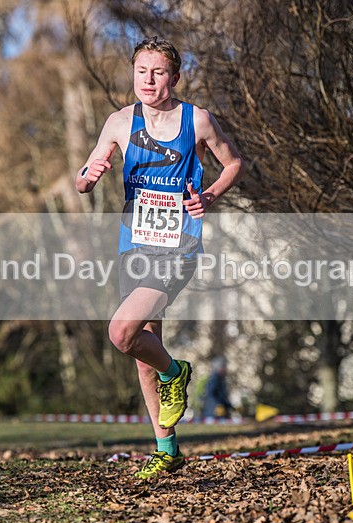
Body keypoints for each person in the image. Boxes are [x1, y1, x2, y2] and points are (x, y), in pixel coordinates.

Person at [76, 37, 244, 479]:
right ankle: (166, 448)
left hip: (178, 247)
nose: (148, 81)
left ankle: (177, 372)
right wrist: (88, 175)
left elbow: (233, 164)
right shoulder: (118, 122)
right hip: (133, 247)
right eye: (141, 72)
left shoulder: (198, 121)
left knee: (121, 331)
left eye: (158, 72)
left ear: (174, 76)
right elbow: (84, 177)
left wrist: (208, 195)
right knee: (140, 348)